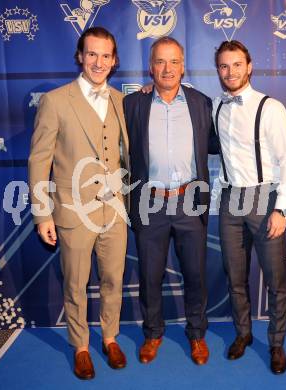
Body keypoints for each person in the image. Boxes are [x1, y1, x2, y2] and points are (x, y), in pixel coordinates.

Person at [28, 27, 129, 380]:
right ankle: (81, 346)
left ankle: (111, 337)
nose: (98, 62)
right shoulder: (56, 101)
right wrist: (43, 213)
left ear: (114, 60)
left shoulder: (121, 101)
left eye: (105, 55)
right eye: (92, 54)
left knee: (113, 280)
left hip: (114, 212)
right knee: (75, 284)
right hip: (72, 212)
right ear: (80, 56)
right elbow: (39, 161)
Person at [123, 37, 214, 365]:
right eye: (160, 62)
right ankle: (152, 333)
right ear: (151, 67)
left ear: (183, 65)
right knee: (150, 275)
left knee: (196, 274)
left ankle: (197, 335)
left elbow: (217, 145)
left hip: (190, 200)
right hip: (149, 203)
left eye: (174, 61)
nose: (167, 69)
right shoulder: (132, 104)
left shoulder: (201, 103)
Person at [213, 40, 286, 374]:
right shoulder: (218, 107)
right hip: (231, 199)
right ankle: (243, 334)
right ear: (218, 70)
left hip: (265, 199)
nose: (230, 71)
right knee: (235, 276)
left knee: (276, 280)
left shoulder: (270, 107)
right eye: (223, 66)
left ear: (249, 66)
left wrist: (282, 208)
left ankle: (276, 344)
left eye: (236, 64)